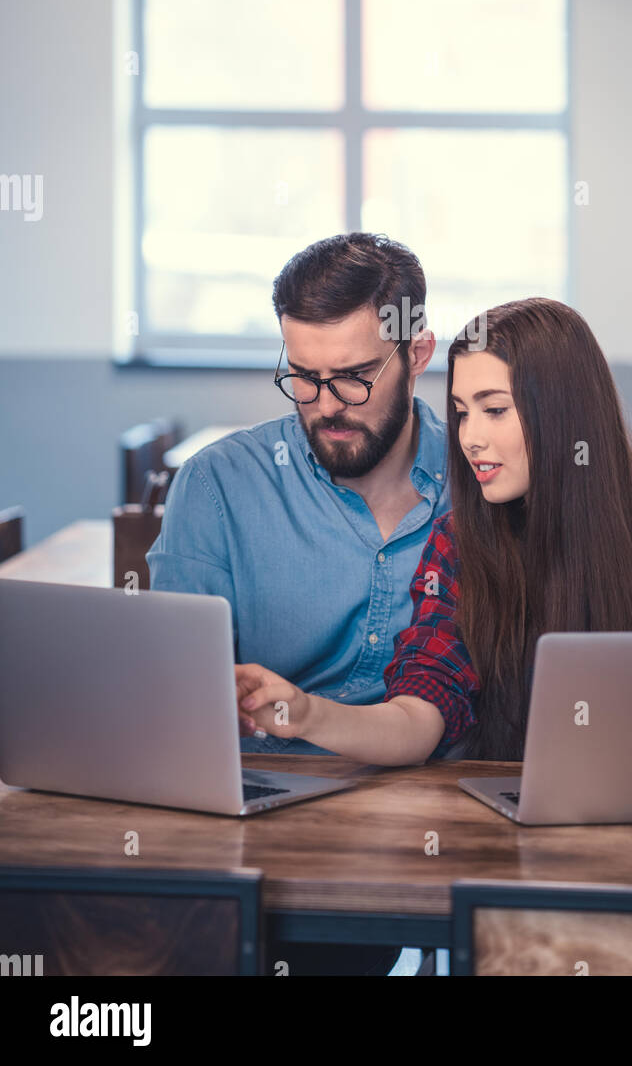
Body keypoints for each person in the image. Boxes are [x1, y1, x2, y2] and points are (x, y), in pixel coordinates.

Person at [238, 297, 632, 826]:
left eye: (494, 409)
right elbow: (420, 713)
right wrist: (311, 712)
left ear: (563, 416)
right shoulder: (460, 545)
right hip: (518, 862)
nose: (470, 437)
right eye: (460, 413)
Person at [147, 231, 450, 975]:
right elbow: (169, 700)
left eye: (352, 378)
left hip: (434, 820)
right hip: (257, 823)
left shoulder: (482, 487)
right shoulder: (219, 484)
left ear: (417, 354)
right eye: (303, 378)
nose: (326, 408)